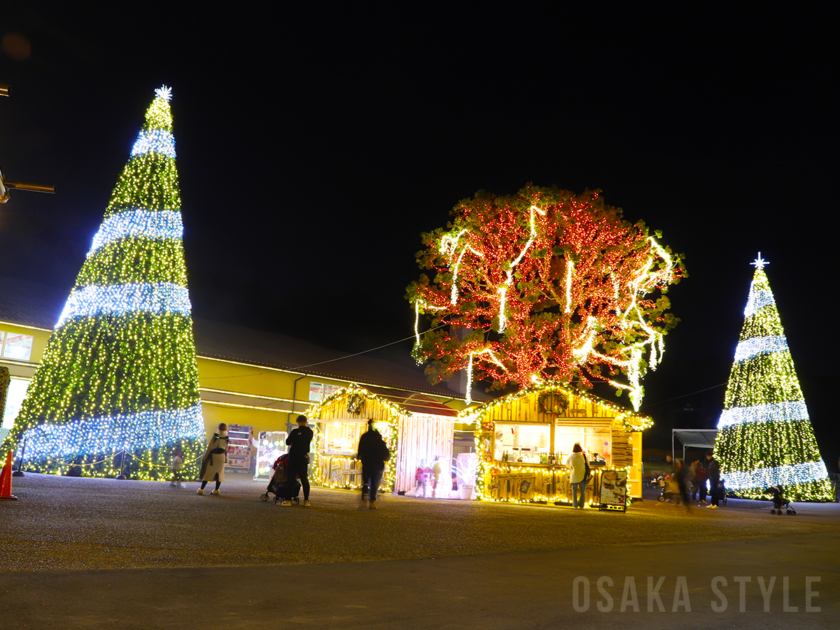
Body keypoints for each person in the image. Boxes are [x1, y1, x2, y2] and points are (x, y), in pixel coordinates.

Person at [357, 419, 391, 509]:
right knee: (374, 482)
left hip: (366, 462)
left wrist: (360, 456)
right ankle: (372, 501)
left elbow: (360, 449)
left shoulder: (364, 437)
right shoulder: (379, 440)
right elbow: (385, 453)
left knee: (365, 480)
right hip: (377, 464)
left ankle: (364, 497)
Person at [281, 415, 313, 507]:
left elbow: (287, 442)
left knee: (291, 478)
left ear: (297, 422)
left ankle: (288, 500)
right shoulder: (310, 432)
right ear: (306, 422)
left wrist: (294, 442)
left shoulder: (295, 432)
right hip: (303, 457)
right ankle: (306, 500)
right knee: (304, 479)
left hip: (293, 457)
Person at [198, 424, 229, 495]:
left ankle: (202, 489)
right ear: (225, 429)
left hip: (214, 456)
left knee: (208, 472)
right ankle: (216, 490)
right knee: (219, 473)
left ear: (218, 428)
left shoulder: (215, 436)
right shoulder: (226, 438)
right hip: (222, 456)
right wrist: (225, 459)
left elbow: (210, 447)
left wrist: (205, 457)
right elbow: (226, 449)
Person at [565, 443, 586, 509]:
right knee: (582, 491)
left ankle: (575, 505)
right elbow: (587, 463)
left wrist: (572, 467)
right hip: (582, 475)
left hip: (574, 475)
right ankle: (581, 505)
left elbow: (567, 465)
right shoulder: (583, 456)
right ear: (580, 449)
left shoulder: (571, 456)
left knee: (574, 491)